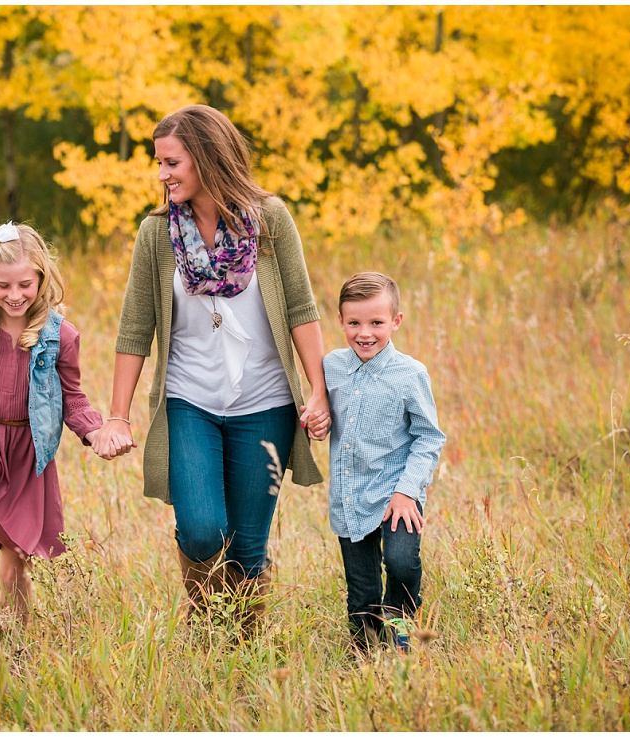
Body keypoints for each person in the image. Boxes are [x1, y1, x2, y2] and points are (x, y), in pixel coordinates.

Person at [92, 104, 331, 628]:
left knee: (248, 546)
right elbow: (135, 329)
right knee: (202, 531)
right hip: (190, 401)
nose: (162, 175)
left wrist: (317, 391)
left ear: (205, 157)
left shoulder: (270, 220)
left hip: (265, 403)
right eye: (159, 163)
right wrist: (116, 415)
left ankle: (237, 653)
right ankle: (207, 631)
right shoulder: (157, 234)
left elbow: (300, 308)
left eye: (171, 162)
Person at [0, 222, 106, 621]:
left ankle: (19, 643)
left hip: (29, 450)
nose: (15, 296)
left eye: (25, 285)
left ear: (42, 279)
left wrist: (95, 431)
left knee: (16, 555)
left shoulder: (60, 336)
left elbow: (73, 397)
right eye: (4, 286)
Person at [323, 272, 446, 652]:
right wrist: (315, 420)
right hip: (350, 496)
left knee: (401, 562)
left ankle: (403, 629)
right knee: (361, 592)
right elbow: (320, 411)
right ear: (340, 321)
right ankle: (363, 656)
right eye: (354, 323)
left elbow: (429, 437)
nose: (365, 333)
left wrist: (408, 492)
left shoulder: (410, 375)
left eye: (376, 323)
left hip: (397, 495)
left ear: (396, 321)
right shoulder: (331, 367)